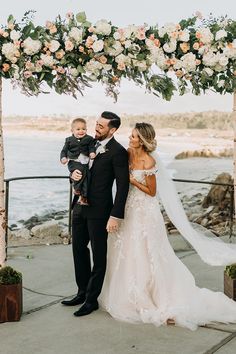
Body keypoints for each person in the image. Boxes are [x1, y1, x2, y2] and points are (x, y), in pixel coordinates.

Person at [99, 122, 236, 331]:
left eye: (134, 136)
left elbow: (151, 191)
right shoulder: (127, 153)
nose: (130, 138)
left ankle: (157, 298)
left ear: (142, 140)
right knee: (127, 249)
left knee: (148, 252)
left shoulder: (148, 160)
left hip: (145, 211)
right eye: (131, 135)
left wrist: (132, 181)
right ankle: (128, 294)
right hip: (129, 209)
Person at [61, 111, 130, 316]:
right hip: (79, 206)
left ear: (113, 129)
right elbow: (76, 165)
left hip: (100, 210)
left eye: (101, 126)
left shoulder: (118, 151)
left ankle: (92, 300)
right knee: (78, 251)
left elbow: (123, 185)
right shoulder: (86, 142)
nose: (96, 128)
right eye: (97, 124)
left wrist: (115, 215)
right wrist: (72, 174)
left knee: (99, 257)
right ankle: (82, 292)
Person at [60, 118, 96, 205]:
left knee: (86, 176)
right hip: (73, 161)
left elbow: (91, 147)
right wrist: (63, 158)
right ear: (72, 130)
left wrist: (92, 152)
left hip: (84, 161)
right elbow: (64, 151)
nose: (81, 131)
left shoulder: (89, 139)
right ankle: (76, 188)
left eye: (83, 129)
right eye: (78, 129)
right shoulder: (69, 140)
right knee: (79, 171)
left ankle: (83, 197)